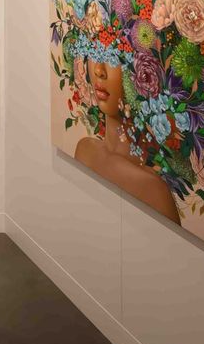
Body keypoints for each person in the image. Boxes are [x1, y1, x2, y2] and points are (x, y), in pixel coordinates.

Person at [73, 59, 180, 224]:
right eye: (94, 51)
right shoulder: (85, 150)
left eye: (113, 59)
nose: (99, 71)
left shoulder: (153, 190)